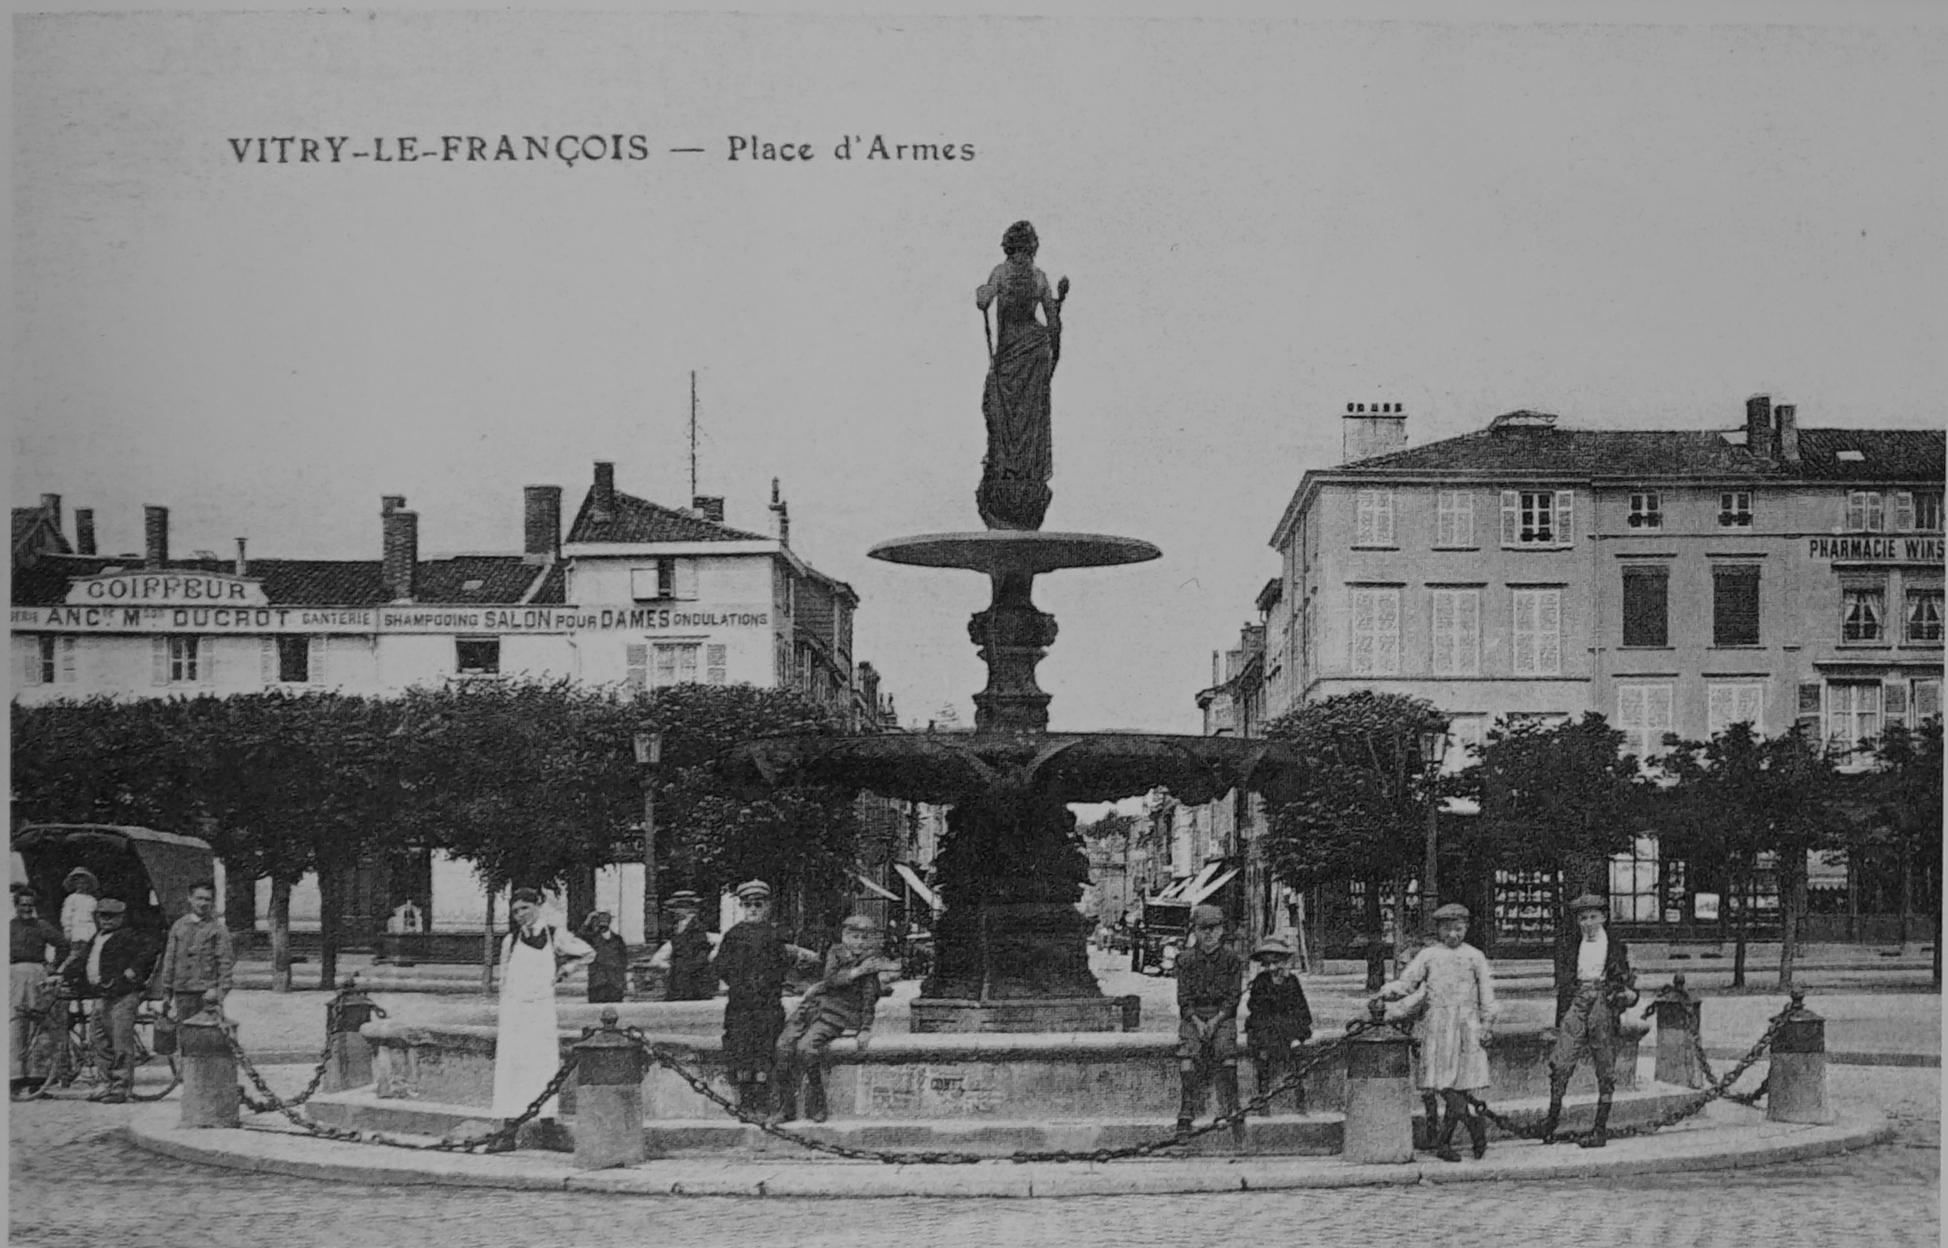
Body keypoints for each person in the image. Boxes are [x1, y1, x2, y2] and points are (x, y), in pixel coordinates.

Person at [1378, 903, 1499, 1162]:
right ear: (1439, 930)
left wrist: (1488, 1022)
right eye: (1447, 929)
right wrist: (1386, 994)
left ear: (1466, 928)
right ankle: (1472, 1128)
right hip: (1437, 1025)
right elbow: (1408, 982)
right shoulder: (1429, 955)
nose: (1453, 935)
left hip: (1466, 1025)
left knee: (1457, 1083)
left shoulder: (1475, 956)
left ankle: (1447, 1142)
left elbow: (1487, 993)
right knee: (1443, 1083)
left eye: (1458, 929)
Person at [973, 219, 1064, 531]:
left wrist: (982, 293)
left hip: (1012, 354)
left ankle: (1004, 469)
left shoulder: (1001, 272)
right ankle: (1020, 472)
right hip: (1033, 351)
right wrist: (1052, 353)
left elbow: (983, 300)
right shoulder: (1039, 278)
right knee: (1028, 420)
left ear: (1008, 247)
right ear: (1030, 247)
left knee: (997, 409)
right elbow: (1052, 325)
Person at [768, 914, 901, 1125]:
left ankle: (817, 1101)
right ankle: (785, 1107)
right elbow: (830, 979)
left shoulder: (871, 964)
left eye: (863, 938)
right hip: (812, 1008)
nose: (858, 942)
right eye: (854, 936)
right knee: (783, 1045)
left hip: (836, 1015)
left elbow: (868, 1001)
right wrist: (856, 972)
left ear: (871, 941)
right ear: (844, 935)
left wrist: (865, 1028)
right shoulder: (836, 952)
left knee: (806, 1048)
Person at [490, 888, 594, 1139]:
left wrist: (564, 971)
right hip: (514, 1010)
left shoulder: (556, 935)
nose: (520, 915)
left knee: (543, 1064)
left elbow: (588, 953)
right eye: (515, 911)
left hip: (541, 1008)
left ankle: (548, 1126)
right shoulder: (510, 940)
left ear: (537, 906)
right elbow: (504, 979)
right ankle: (508, 1131)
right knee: (511, 1067)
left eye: (524, 908)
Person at [1539, 893, 1638, 1149]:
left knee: (1605, 1065)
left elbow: (1625, 978)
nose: (1588, 923)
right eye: (1583, 918)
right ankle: (1550, 1124)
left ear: (1603, 917)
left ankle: (1599, 1128)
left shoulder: (1615, 945)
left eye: (1593, 917)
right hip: (1577, 1001)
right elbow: (1563, 980)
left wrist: (1625, 993)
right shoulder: (1569, 945)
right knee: (1561, 1062)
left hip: (1603, 1001)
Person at [712, 880, 817, 1116]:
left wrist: (766, 983)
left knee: (765, 1052)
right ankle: (745, 1101)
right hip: (740, 1006)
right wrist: (740, 984)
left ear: (767, 906)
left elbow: (781, 965)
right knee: (740, 1051)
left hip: (767, 1006)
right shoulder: (733, 935)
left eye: (758, 904)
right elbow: (720, 966)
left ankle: (762, 1101)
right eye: (747, 904)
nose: (752, 909)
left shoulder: (774, 935)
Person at [65, 898, 155, 1103]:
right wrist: (64, 975)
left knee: (120, 1041)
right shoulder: (96, 938)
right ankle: (104, 1084)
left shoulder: (129, 936)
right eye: (102, 916)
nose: (106, 920)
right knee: (99, 1040)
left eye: (111, 916)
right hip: (100, 995)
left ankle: (121, 1088)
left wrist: (134, 969)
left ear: (121, 918)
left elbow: (150, 950)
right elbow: (80, 961)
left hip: (122, 995)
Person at [1174, 904, 1244, 1140]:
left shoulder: (1231, 960)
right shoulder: (1185, 960)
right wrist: (1196, 1019)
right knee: (1188, 1055)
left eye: (1213, 929)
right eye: (1203, 929)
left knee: (1226, 1052)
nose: (1208, 934)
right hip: (1194, 1016)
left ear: (1222, 930)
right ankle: (1186, 1110)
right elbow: (1183, 999)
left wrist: (1216, 1019)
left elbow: (1234, 997)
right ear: (1195, 931)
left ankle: (1231, 1105)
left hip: (1222, 1015)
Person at [1243, 935, 1313, 1116]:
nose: (1273, 968)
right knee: (1263, 1054)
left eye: (1277, 962)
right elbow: (1256, 1010)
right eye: (1268, 964)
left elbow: (1301, 1011)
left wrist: (1297, 1035)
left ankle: (1299, 1101)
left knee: (1296, 1055)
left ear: (1285, 962)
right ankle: (1263, 1098)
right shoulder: (1261, 982)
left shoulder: (1292, 982)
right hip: (1266, 1028)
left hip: (1289, 1028)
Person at [10, 887, 67, 1097]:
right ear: (15, 906)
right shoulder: (8, 927)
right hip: (13, 975)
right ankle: (14, 1078)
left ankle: (38, 1080)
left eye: (30, 905)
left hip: (37, 974)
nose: (27, 909)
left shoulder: (41, 925)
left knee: (39, 1023)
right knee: (15, 1023)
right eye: (22, 905)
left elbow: (63, 944)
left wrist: (53, 965)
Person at [158, 880, 233, 1023]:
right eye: (199, 898)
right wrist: (167, 991)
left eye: (208, 899)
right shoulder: (178, 926)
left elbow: (225, 963)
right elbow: (169, 960)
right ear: (190, 898)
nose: (203, 903)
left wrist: (219, 992)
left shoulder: (217, 929)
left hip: (207, 993)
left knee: (206, 1035)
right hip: (182, 991)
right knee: (183, 1033)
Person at [661, 891, 716, 1002]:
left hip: (691, 982)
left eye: (677, 907)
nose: (674, 911)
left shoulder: (693, 927)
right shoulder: (680, 926)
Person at [580, 911, 629, 1005]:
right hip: (597, 983)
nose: (603, 922)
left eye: (606, 919)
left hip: (614, 983)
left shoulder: (618, 939)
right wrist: (587, 920)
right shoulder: (592, 938)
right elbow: (580, 937)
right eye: (601, 919)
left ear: (609, 921)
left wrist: (623, 982)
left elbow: (624, 961)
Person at [59, 868, 100, 964]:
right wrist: (67, 929)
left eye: (84, 883)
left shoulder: (92, 900)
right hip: (76, 928)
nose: (81, 886)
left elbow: (95, 916)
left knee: (88, 952)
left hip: (89, 928)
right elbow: (66, 915)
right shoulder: (71, 898)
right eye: (78, 883)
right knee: (74, 952)